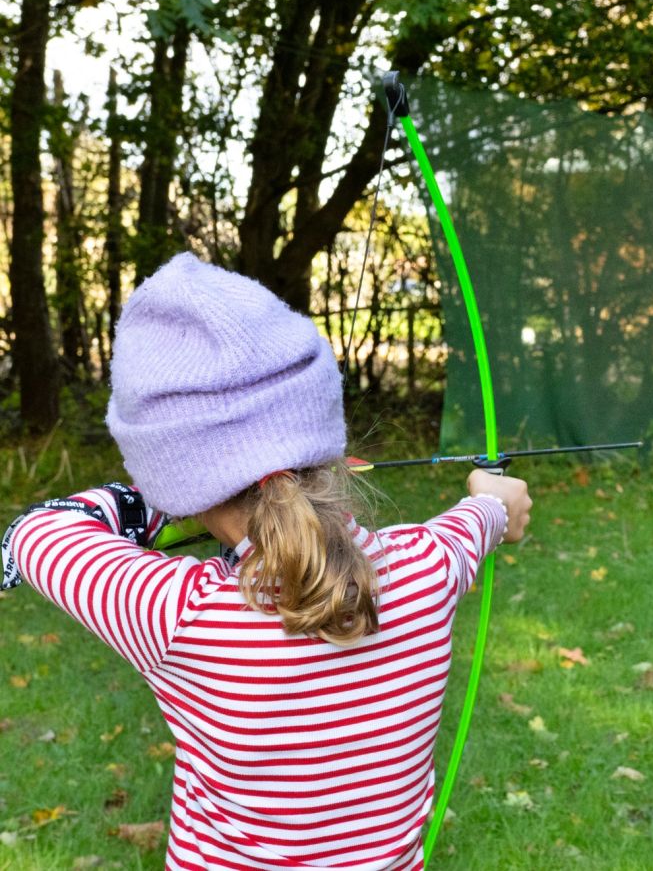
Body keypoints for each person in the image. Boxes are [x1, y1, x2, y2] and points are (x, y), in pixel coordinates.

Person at [0, 253, 531, 869]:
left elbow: (32, 535)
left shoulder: (175, 613)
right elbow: (488, 515)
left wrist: (151, 500)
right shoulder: (427, 565)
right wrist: (495, 503)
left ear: (177, 480)